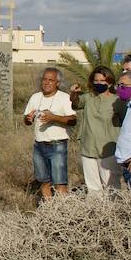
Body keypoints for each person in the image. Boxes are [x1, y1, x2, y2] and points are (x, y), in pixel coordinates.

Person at [23, 67, 77, 199]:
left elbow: (73, 120)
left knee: (60, 183)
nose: (47, 83)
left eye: (51, 80)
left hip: (57, 145)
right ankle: (49, 212)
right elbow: (26, 120)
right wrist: (28, 118)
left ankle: (65, 212)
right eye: (44, 80)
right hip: (39, 145)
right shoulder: (35, 97)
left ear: (57, 83)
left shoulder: (64, 98)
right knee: (43, 181)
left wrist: (54, 118)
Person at [69, 65, 121, 193]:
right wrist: (74, 93)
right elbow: (75, 104)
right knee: (93, 187)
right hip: (89, 147)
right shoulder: (88, 97)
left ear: (109, 83)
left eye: (102, 81)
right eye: (96, 80)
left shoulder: (118, 101)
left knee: (111, 186)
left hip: (108, 150)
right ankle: (96, 212)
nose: (98, 83)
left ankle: (114, 212)